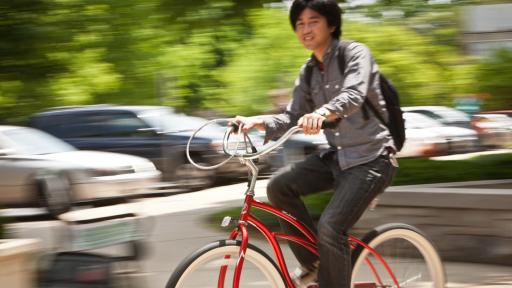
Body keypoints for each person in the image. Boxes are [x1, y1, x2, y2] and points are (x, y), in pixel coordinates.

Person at [232, 0, 397, 287]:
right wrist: (256, 121)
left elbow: (354, 95)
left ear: (331, 24)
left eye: (313, 21)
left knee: (331, 227)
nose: (305, 29)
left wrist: (321, 113)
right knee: (279, 187)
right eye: (299, 24)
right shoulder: (308, 72)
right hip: (338, 157)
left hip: (373, 159)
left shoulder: (355, 54)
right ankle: (315, 265)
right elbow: (292, 117)